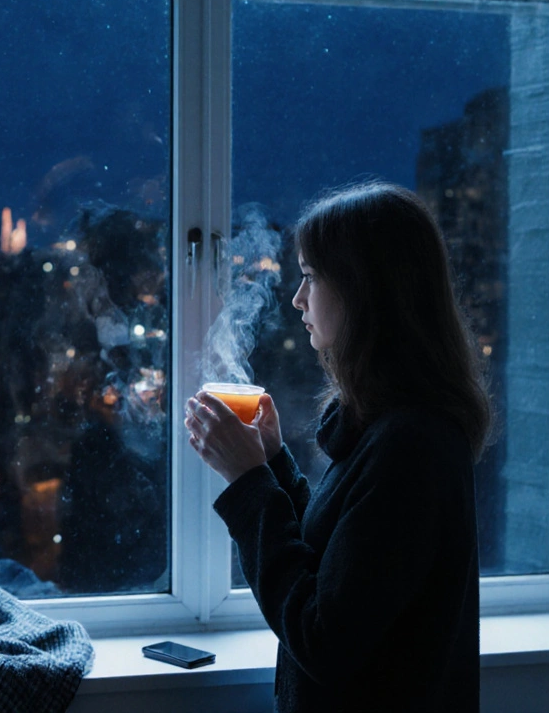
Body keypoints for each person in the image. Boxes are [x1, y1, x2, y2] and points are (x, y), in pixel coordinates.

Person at [185, 182, 492, 712]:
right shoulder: (390, 429)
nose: (298, 298)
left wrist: (249, 483)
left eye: (309, 277)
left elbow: (323, 638)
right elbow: (340, 565)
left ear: (363, 288)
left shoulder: (412, 447)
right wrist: (275, 463)